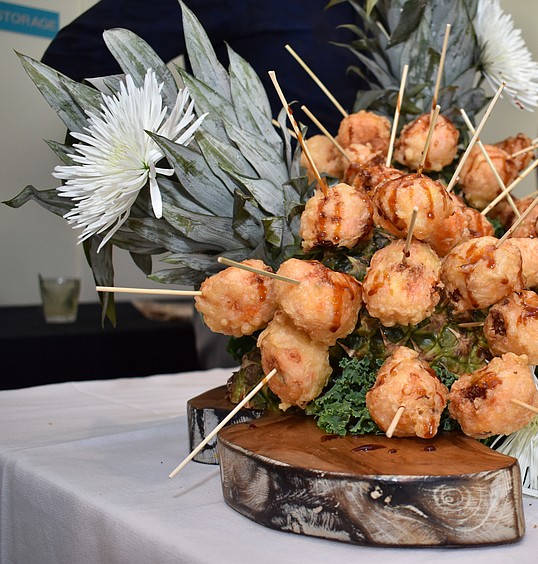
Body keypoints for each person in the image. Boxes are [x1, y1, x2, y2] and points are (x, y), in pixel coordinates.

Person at [41, 0, 365, 368]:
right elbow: (77, 52)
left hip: (369, 274)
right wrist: (164, 151)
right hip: (252, 279)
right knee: (247, 420)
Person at [42, 0, 363, 135]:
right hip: (266, 245)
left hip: (390, 237)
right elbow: (75, 57)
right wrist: (181, 155)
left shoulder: (391, 12)